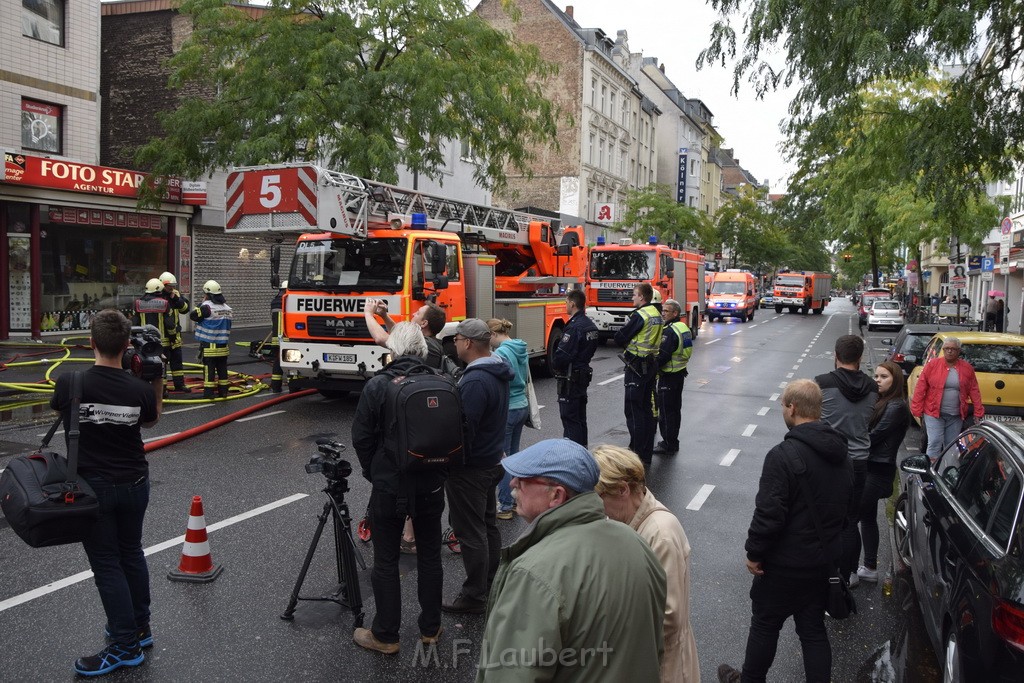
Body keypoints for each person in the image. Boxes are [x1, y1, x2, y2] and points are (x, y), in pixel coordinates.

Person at [478, 439, 667, 681]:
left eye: (523, 480)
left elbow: (513, 673)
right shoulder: (636, 542)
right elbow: (654, 644)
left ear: (556, 495)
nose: (513, 484)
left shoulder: (535, 572)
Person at [50, 310, 163, 676]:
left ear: (92, 343)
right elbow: (152, 418)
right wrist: (153, 376)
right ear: (127, 345)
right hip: (135, 483)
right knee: (131, 552)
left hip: (93, 488)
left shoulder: (70, 382)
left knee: (107, 563)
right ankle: (140, 627)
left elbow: (60, 410)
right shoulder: (139, 388)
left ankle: (124, 645)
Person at [717, 380, 853, 683]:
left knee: (765, 625)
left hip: (784, 565)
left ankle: (750, 680)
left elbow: (769, 514)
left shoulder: (782, 456)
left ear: (792, 407)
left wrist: (755, 553)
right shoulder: (842, 454)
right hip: (822, 563)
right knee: (813, 630)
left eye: (783, 405)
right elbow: (847, 509)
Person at [350, 322, 447, 654]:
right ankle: (430, 629)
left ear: (392, 350)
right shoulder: (444, 381)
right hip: (432, 484)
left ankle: (386, 636)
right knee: (431, 556)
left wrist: (373, 471)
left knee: (386, 559)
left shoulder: (378, 385)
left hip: (390, 485)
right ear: (422, 350)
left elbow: (362, 437)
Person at [593, 444, 700, 683]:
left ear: (622, 490)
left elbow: (668, 617)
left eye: (599, 496)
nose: (596, 506)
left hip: (662, 667)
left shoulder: (660, 533)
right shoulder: (628, 521)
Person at [443, 318, 512, 614]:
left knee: (470, 532)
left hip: (471, 468)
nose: (454, 343)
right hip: (492, 459)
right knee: (486, 526)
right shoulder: (497, 370)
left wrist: (450, 460)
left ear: (469, 342)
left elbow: (463, 430)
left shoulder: (474, 380)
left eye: (457, 339)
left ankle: (474, 595)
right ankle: (490, 581)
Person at [814, 334, 876, 584]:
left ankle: (828, 574)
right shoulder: (873, 387)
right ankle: (849, 574)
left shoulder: (822, 382)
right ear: (860, 358)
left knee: (826, 519)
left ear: (836, 355)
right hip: (860, 461)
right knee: (851, 520)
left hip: (829, 458)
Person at [856, 361, 910, 583]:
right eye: (876, 376)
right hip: (870, 466)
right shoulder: (880, 401)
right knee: (867, 518)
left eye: (884, 376)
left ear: (895, 380)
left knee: (851, 517)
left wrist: (850, 443)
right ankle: (869, 568)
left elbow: (874, 435)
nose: (877, 380)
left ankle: (849, 571)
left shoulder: (896, 406)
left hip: (878, 471)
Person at [614, 283, 664, 464]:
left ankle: (636, 453)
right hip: (650, 365)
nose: (632, 298)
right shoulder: (657, 314)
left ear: (642, 297)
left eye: (634, 295)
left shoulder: (641, 315)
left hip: (637, 366)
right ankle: (646, 452)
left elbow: (620, 337)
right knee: (645, 409)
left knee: (634, 411)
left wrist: (626, 342)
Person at [910, 336, 984, 458]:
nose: (949, 351)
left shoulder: (967, 368)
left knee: (951, 446)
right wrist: (916, 409)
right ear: (943, 350)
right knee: (934, 442)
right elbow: (920, 388)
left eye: (953, 349)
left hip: (955, 415)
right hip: (933, 413)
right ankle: (931, 472)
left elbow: (974, 390)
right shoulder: (932, 365)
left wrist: (978, 411)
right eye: (946, 348)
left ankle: (945, 471)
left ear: (959, 351)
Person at [487, 318, 529, 520]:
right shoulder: (520, 346)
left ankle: (504, 505)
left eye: (489, 338)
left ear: (494, 335)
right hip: (522, 405)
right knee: (513, 456)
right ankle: (512, 501)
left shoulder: (502, 353)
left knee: (503, 459)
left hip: (509, 406)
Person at [552, 289, 599, 447]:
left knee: (570, 419)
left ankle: (572, 457)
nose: (565, 305)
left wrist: (554, 366)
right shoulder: (590, 325)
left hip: (571, 377)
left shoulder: (574, 327)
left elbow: (563, 355)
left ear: (572, 304)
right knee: (580, 418)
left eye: (566, 302)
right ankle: (583, 451)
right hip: (582, 375)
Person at [132, 276, 189, 393]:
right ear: (161, 286)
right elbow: (169, 324)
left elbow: (135, 323)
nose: (172, 289)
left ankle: (168, 387)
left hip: (146, 341)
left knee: (152, 364)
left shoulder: (138, 303)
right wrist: (173, 336)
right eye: (169, 287)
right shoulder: (163, 303)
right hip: (165, 339)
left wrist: (135, 339)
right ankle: (162, 390)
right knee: (161, 365)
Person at [654, 299, 693, 456]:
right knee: (675, 411)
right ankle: (673, 441)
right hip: (679, 374)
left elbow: (663, 356)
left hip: (668, 375)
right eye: (662, 310)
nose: (663, 313)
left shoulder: (669, 331)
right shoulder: (682, 326)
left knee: (666, 412)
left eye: (666, 311)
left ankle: (668, 444)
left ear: (675, 313)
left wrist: (651, 369)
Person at [189, 280, 233, 399]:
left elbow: (193, 315)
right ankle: (223, 392)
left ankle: (209, 394)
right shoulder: (228, 308)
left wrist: (201, 303)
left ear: (208, 294)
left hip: (210, 346)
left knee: (209, 371)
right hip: (223, 346)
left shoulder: (206, 307)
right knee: (222, 370)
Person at [269, 281, 286, 392]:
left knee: (277, 361)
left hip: (275, 339)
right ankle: (294, 387)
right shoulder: (289, 301)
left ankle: (275, 386)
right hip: (286, 338)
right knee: (291, 362)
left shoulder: (274, 302)